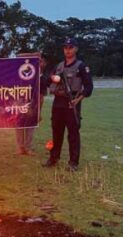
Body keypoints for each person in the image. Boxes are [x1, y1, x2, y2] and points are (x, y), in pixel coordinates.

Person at [43, 38, 94, 171]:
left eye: (71, 47)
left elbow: (89, 87)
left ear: (76, 49)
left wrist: (78, 100)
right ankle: (53, 158)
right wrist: (52, 78)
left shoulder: (81, 66)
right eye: (66, 47)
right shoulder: (59, 66)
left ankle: (73, 163)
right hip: (58, 102)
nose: (68, 50)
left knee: (73, 134)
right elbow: (47, 81)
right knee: (56, 132)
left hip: (72, 102)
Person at [15, 54, 50, 156]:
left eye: (42, 61)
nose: (40, 63)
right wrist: (34, 54)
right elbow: (18, 56)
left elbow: (41, 96)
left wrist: (39, 111)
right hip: (21, 103)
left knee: (30, 127)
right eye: (38, 61)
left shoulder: (42, 78)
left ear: (45, 64)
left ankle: (28, 148)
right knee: (19, 125)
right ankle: (20, 148)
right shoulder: (21, 73)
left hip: (33, 105)